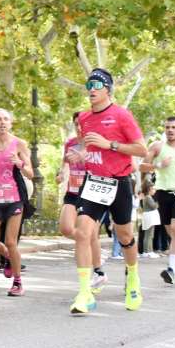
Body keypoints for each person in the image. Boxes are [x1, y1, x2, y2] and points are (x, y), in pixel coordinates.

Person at [70, 68, 148, 315]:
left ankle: (133, 277)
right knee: (82, 232)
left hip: (119, 183)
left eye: (97, 84)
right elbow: (89, 146)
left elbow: (142, 150)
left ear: (108, 89)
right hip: (93, 182)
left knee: (125, 236)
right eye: (89, 84)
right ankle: (84, 293)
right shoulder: (83, 118)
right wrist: (82, 154)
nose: (91, 89)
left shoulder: (121, 116)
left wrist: (110, 145)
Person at [140, 116, 175, 285]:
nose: (170, 130)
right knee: (172, 232)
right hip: (163, 193)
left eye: (173, 127)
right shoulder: (157, 146)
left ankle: (171, 270)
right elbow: (142, 166)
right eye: (167, 127)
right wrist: (158, 166)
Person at [0, 108, 33, 296]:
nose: (2, 122)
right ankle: (10, 259)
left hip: (14, 199)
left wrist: (19, 163)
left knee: (11, 242)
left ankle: (17, 282)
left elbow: (30, 173)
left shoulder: (19, 144)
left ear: (10, 123)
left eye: (5, 119)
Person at [57, 113, 108, 292]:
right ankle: (87, 249)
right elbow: (64, 162)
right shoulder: (70, 143)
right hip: (72, 191)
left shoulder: (96, 143)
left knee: (90, 235)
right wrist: (61, 173)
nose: (80, 127)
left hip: (92, 193)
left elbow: (104, 165)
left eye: (83, 124)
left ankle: (98, 271)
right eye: (77, 124)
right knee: (65, 228)